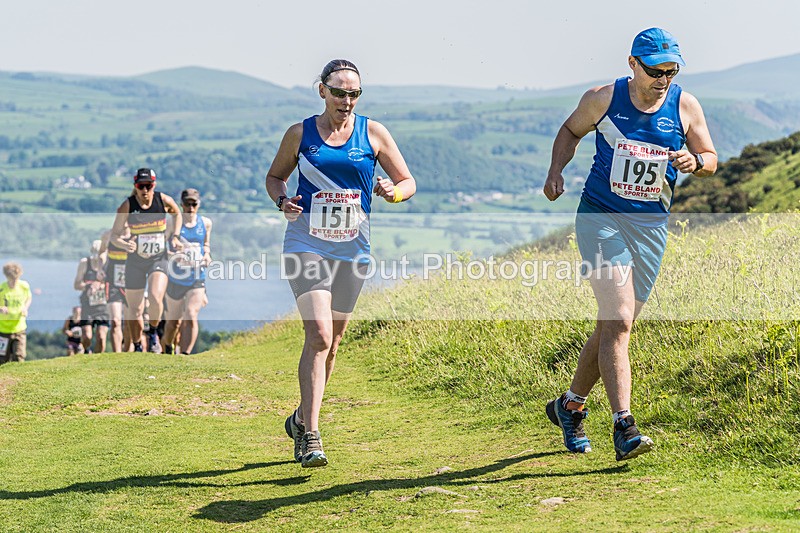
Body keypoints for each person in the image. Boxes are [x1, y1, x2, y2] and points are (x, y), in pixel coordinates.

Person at [542, 28, 717, 460]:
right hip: (601, 218)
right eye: (656, 71)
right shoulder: (603, 99)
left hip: (651, 228)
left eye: (672, 71)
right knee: (619, 321)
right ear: (633, 64)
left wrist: (695, 160)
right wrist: (555, 171)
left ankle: (570, 406)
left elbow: (711, 159)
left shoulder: (685, 106)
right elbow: (569, 131)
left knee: (612, 325)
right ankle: (625, 426)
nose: (664, 79)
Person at [265, 59, 416, 468]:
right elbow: (275, 177)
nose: (346, 101)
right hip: (306, 242)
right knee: (318, 335)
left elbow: (408, 181)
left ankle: (301, 417)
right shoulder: (300, 134)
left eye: (354, 94)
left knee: (333, 343)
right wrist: (283, 201)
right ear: (322, 91)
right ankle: (311, 436)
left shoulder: (374, 133)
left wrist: (393, 192)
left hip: (353, 249)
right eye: (339, 92)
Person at [110, 169, 183, 352]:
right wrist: (124, 244)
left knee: (155, 297)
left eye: (148, 186)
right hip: (135, 262)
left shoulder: (162, 200)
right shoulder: (128, 205)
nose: (144, 190)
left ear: (154, 185)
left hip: (158, 258)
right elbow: (114, 236)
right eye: (140, 186)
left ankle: (153, 333)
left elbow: (177, 214)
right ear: (135, 186)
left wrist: (175, 236)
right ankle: (136, 344)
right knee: (134, 309)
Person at [162, 188, 212, 355]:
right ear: (181, 204)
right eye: (187, 204)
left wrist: (207, 256)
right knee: (173, 323)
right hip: (175, 277)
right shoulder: (173, 223)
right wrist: (172, 256)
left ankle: (185, 355)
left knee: (191, 314)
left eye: (194, 204)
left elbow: (206, 245)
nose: (190, 208)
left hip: (197, 275)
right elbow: (162, 247)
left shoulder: (205, 223)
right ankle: (167, 347)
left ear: (199, 204)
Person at [73, 239, 110, 354]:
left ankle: (98, 359)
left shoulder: (109, 264)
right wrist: (89, 286)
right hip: (88, 305)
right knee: (87, 336)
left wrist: (102, 286)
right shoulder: (85, 263)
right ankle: (86, 352)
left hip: (103, 306)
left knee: (101, 337)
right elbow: (76, 284)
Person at [101, 228, 133, 352]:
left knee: (130, 323)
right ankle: (117, 355)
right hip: (112, 282)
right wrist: (100, 268)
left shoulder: (136, 234)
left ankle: (128, 351)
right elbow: (102, 252)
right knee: (115, 321)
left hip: (131, 283)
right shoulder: (108, 235)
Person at [0, 262, 32, 363]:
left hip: (19, 329)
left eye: (16, 279)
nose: (14, 282)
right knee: (2, 359)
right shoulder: (1, 288)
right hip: (3, 330)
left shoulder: (24, 286)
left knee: (19, 356)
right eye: (12, 279)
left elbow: (29, 298)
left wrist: (25, 308)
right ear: (6, 276)